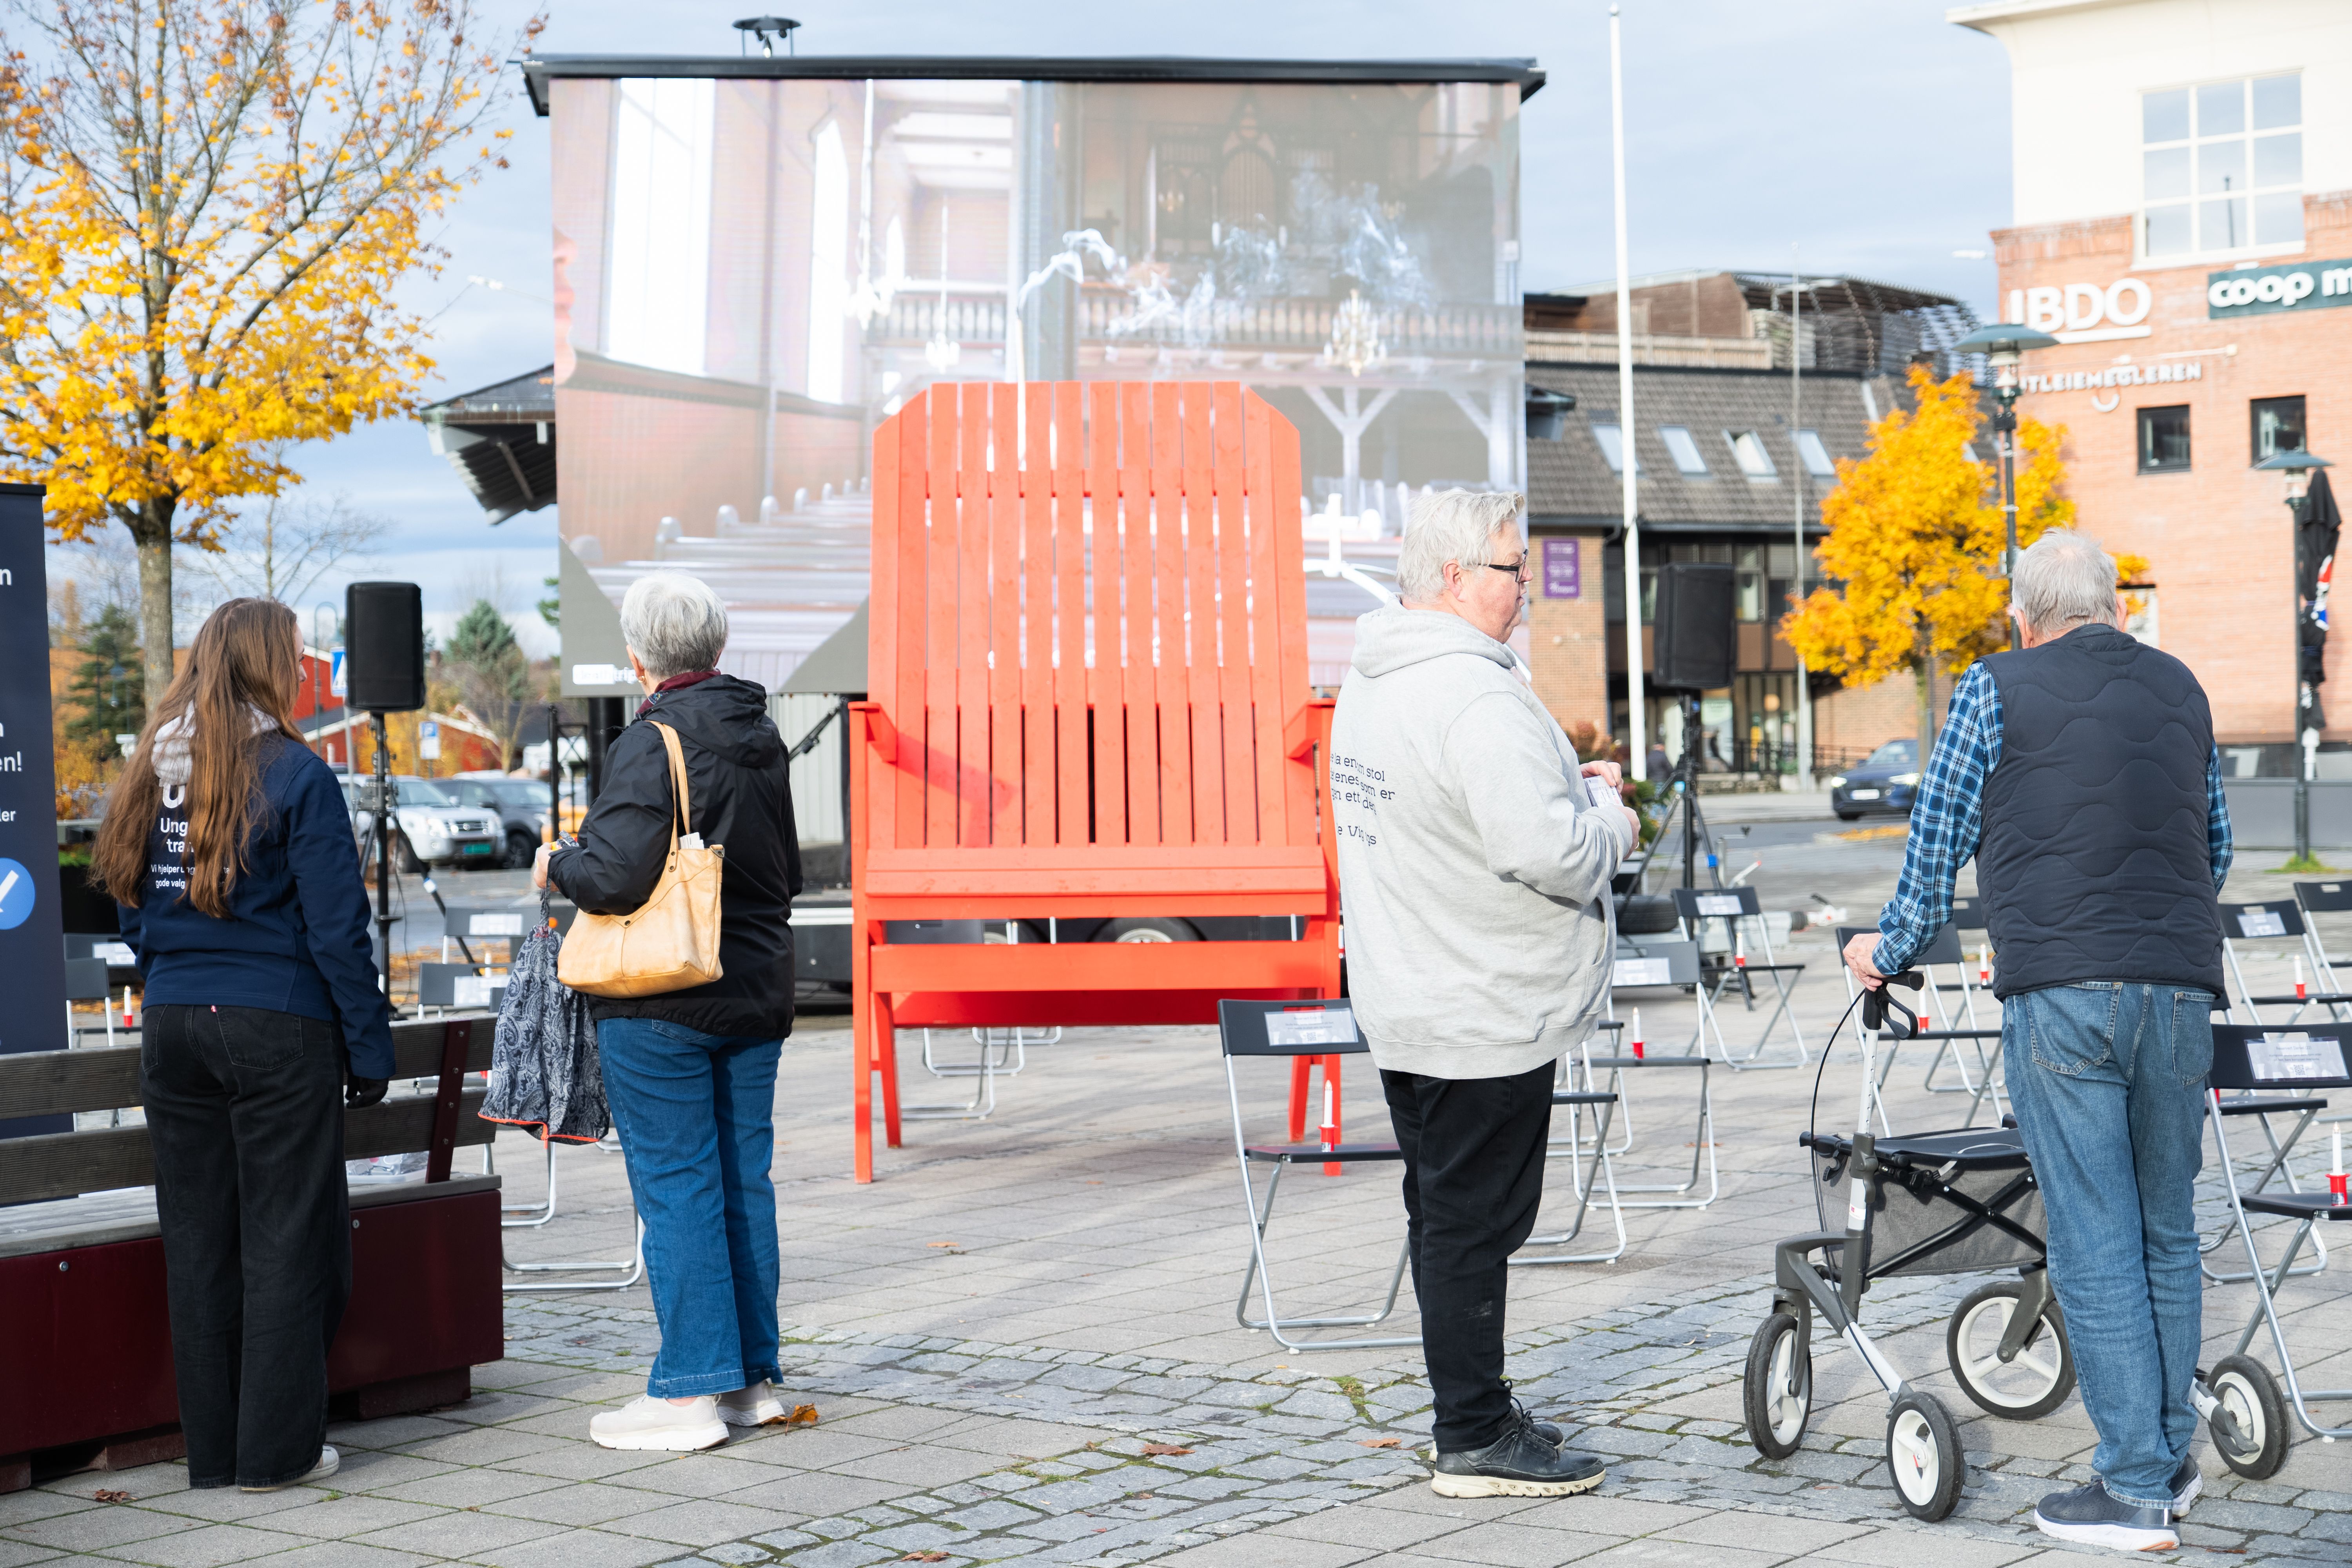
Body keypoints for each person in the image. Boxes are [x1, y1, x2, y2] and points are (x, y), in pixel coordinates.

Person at [1844, 530, 2227, 1553]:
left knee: (2095, 1238)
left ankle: (2134, 1490)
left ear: (2024, 616)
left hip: (2063, 989)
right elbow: (2215, 844)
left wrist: (1881, 950)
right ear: (2113, 606)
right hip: (2182, 989)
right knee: (2167, 1232)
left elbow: (1937, 840)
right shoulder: (2182, 687)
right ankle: (2172, 1459)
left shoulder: (1994, 685)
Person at [1329, 489, 1639, 1498]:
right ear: (1456, 579)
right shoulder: (1476, 693)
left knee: (1444, 1214)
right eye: (1512, 569)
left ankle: (1476, 1405)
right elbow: (1547, 849)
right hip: (1485, 1002)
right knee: (1474, 1222)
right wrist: (1610, 815)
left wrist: (1561, 782)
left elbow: (1455, 810)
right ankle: (1472, 1435)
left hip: (1411, 990)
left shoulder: (1376, 678)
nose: (1526, 591)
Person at [91, 598, 395, 1493]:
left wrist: (177, 969)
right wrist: (367, 1048)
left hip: (174, 1025)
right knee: (285, 1241)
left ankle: (215, 1454)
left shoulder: (154, 764)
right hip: (276, 1026)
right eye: (297, 654)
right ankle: (276, 1454)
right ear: (272, 663)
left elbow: (129, 903)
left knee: (199, 1242)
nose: (303, 666)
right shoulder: (298, 774)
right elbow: (340, 932)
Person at [539, 571, 802, 1452]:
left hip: (665, 1000)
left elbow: (613, 877)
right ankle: (750, 1382)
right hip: (757, 990)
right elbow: (785, 876)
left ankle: (689, 1391)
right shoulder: (763, 736)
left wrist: (557, 867)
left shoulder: (654, 739)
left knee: (678, 1186)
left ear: (639, 656)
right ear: (718, 647)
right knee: (741, 1183)